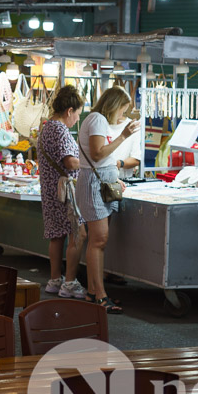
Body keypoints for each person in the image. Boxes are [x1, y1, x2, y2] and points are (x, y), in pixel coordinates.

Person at [76, 85, 141, 315]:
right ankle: (99, 295)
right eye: (123, 109)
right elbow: (97, 154)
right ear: (113, 105)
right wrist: (124, 135)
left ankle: (94, 291)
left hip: (103, 182)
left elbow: (104, 157)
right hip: (94, 184)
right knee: (99, 239)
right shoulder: (97, 120)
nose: (122, 115)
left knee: (99, 240)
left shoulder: (98, 121)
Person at [40, 85, 87, 299]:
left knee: (56, 236)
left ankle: (55, 279)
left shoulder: (47, 127)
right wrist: (89, 162)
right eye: (77, 114)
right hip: (66, 193)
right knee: (78, 234)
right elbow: (70, 162)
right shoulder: (60, 129)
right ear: (69, 111)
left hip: (51, 190)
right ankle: (69, 283)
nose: (77, 119)